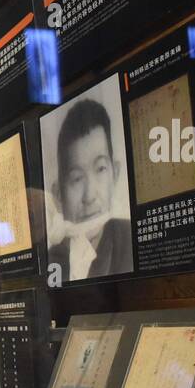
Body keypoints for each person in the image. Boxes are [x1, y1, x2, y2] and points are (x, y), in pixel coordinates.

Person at [47, 98, 133, 281]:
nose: (90, 196)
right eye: (77, 178)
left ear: (115, 174)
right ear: (58, 194)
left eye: (101, 169)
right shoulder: (50, 261)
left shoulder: (132, 240)